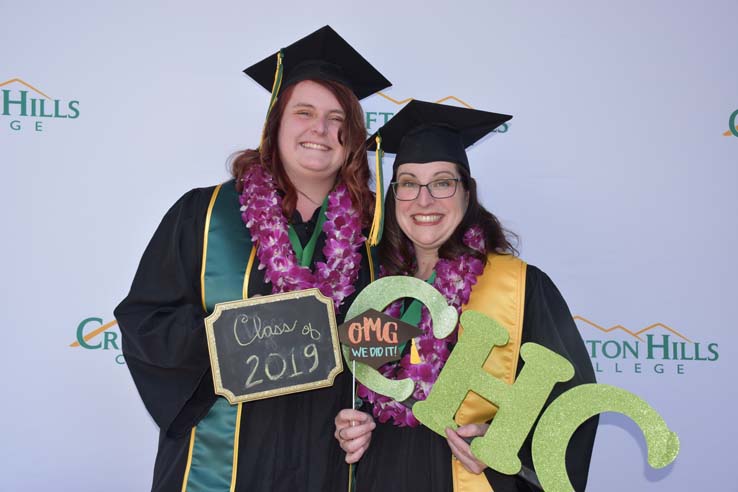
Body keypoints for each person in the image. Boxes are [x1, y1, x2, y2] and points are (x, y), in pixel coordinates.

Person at [115, 26, 389, 492]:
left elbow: (385, 356)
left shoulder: (374, 238)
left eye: (335, 118)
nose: (319, 129)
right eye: (304, 112)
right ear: (275, 124)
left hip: (324, 463)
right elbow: (146, 324)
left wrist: (369, 416)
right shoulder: (202, 216)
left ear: (351, 137)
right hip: (222, 460)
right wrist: (238, 341)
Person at [334, 100, 598, 492]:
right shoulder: (373, 289)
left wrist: (504, 439)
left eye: (442, 182)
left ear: (467, 192)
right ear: (393, 196)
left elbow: (571, 405)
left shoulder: (519, 287)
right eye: (408, 183)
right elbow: (354, 391)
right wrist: (351, 425)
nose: (424, 200)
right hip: (382, 474)